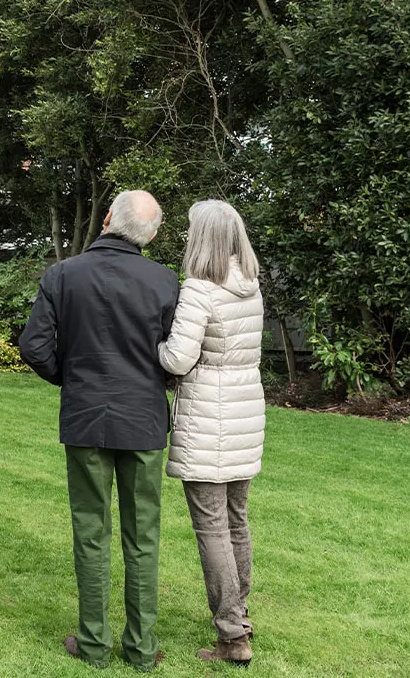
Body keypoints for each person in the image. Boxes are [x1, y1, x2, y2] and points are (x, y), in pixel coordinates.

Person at [18, 190, 180, 671]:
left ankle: (93, 645)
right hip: (144, 419)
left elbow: (33, 346)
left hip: (86, 416)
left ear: (107, 219)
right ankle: (142, 649)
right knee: (143, 536)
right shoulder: (165, 280)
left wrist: (70, 378)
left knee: (91, 532)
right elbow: (178, 355)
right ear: (151, 236)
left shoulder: (64, 274)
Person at [158, 199, 265, 666]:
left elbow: (179, 359)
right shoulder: (251, 285)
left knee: (211, 527)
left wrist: (154, 345)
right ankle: (241, 616)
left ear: (201, 238)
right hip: (245, 415)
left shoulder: (200, 289)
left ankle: (231, 637)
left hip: (208, 419)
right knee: (237, 521)